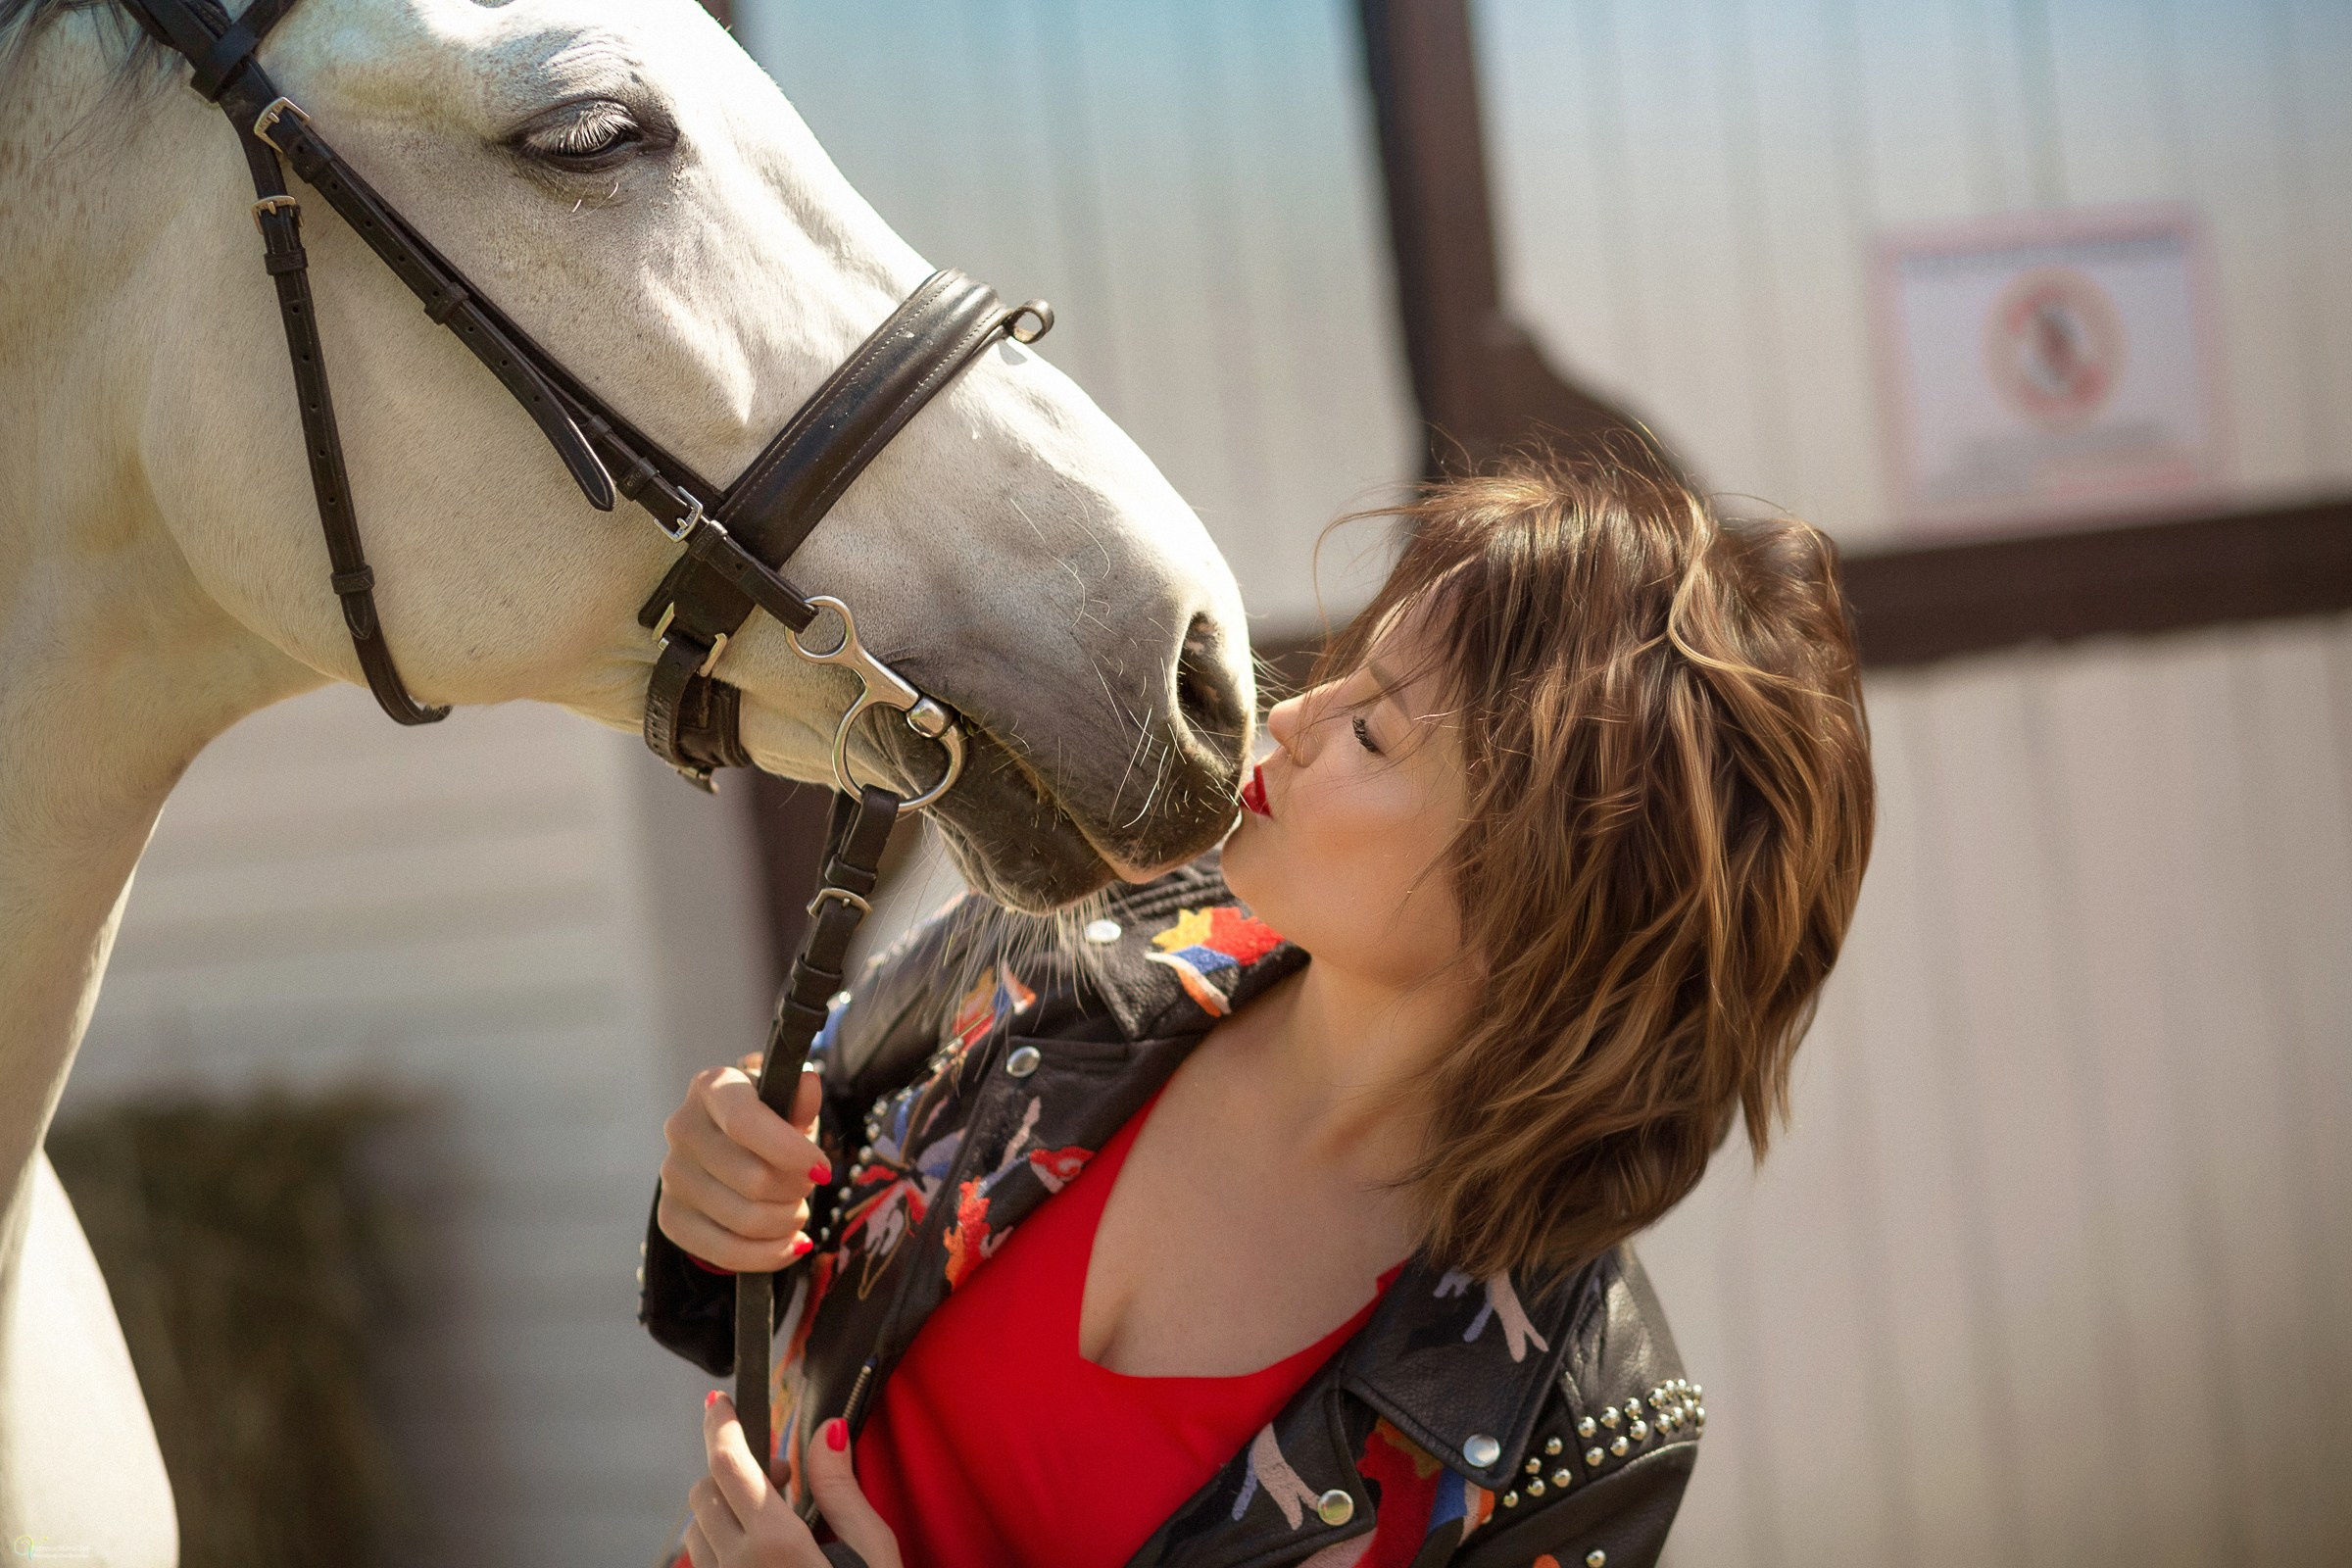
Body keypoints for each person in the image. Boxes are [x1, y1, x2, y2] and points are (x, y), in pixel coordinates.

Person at [638, 455, 1875, 1568]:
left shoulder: (1575, 1437)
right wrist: (718, 1185)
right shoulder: (1089, 931)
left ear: (1541, 908)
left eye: (1375, 731)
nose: (1290, 717)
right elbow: (802, 1157)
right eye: (1349, 674)